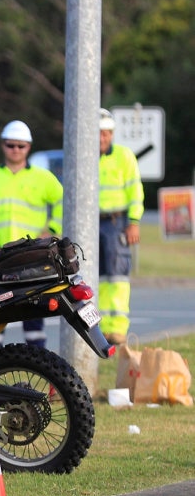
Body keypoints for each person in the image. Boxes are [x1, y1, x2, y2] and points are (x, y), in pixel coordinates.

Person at [0, 120, 63, 348]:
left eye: (21, 146)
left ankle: (39, 361)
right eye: (10, 145)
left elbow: (63, 202)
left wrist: (53, 230)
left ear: (29, 147)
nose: (15, 150)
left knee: (33, 313)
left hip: (32, 256)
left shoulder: (43, 178)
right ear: (3, 145)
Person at [97, 107, 144, 345]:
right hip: (92, 224)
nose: (102, 138)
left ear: (112, 134)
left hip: (117, 223)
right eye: (97, 133)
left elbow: (135, 193)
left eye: (106, 133)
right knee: (97, 277)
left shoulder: (124, 156)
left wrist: (133, 222)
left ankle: (117, 329)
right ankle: (101, 329)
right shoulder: (84, 159)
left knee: (116, 277)